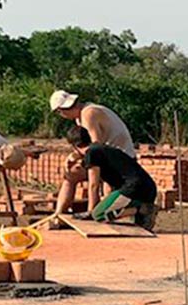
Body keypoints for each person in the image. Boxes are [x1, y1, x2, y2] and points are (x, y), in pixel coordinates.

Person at [49, 89, 135, 217]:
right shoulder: (80, 117)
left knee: (102, 183)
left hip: (121, 159)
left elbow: (96, 148)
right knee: (71, 174)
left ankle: (99, 214)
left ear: (61, 110)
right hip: (107, 155)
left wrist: (91, 209)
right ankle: (60, 215)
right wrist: (74, 156)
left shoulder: (89, 114)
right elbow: (88, 146)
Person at [66, 127, 159, 230]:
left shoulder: (92, 153)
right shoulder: (101, 149)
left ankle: (143, 209)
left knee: (98, 215)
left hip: (134, 189)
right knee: (140, 229)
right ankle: (141, 209)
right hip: (147, 188)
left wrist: (90, 212)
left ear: (74, 146)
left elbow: (93, 185)